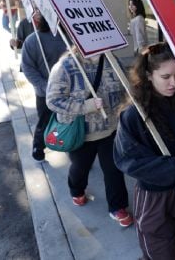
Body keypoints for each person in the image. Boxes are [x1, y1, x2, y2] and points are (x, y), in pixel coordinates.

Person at [113, 42, 175, 259]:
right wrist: (173, 171)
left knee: (167, 243)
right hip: (155, 197)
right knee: (165, 252)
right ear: (148, 74)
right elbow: (126, 158)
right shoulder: (135, 114)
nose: (173, 83)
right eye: (165, 77)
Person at [46, 47, 133, 227]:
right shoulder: (65, 65)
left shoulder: (112, 60)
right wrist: (85, 106)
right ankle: (77, 190)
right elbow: (53, 100)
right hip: (80, 134)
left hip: (111, 130)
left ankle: (117, 206)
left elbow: (127, 88)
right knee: (80, 167)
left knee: (114, 170)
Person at [21, 11, 66, 161]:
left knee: (71, 121)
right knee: (44, 121)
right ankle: (38, 147)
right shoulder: (33, 40)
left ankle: (73, 149)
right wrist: (44, 86)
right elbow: (28, 67)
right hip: (45, 92)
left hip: (70, 90)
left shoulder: (70, 38)